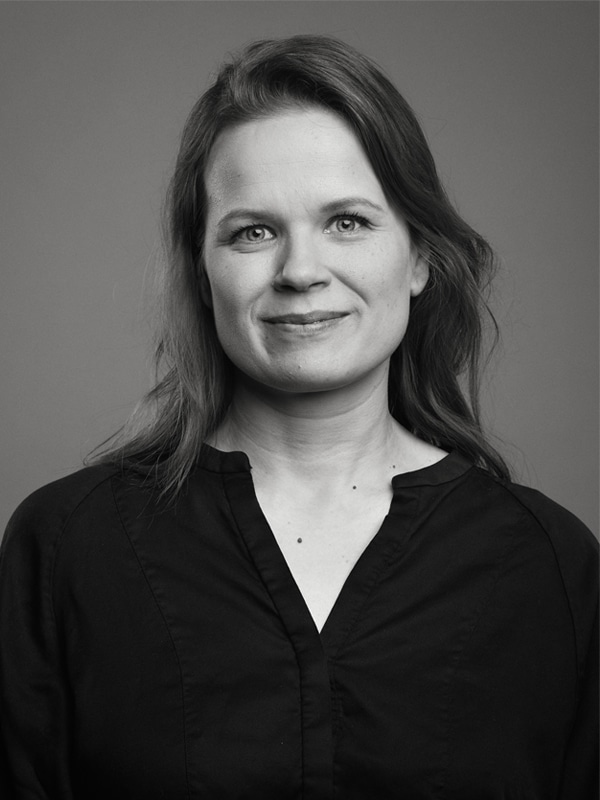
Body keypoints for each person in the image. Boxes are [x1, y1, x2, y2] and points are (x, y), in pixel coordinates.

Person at [0, 35, 597, 800]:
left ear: (419, 255)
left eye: (347, 221)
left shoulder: (550, 566)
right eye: (254, 232)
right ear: (203, 271)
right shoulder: (68, 550)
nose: (301, 271)